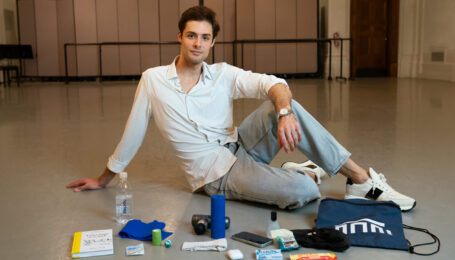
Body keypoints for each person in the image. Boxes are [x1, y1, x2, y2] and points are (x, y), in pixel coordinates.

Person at [67, 6, 415, 211]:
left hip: (241, 145)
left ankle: (360, 180)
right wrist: (103, 179)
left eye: (205, 38)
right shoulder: (153, 80)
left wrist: (284, 112)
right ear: (179, 37)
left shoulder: (222, 74)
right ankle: (307, 172)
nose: (198, 43)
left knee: (284, 104)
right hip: (216, 174)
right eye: (191, 35)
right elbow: (134, 132)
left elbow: (273, 84)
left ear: (212, 42)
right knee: (304, 192)